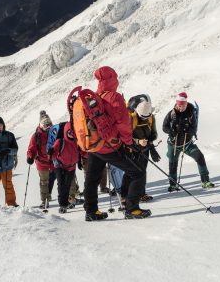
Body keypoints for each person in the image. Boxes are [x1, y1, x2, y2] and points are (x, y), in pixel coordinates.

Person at [83, 66, 151, 221]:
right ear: (113, 78)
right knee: (138, 173)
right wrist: (129, 143)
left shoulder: (94, 96)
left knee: (92, 178)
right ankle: (132, 209)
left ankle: (91, 211)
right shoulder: (114, 97)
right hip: (110, 146)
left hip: (95, 146)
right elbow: (123, 124)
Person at [162, 92, 214, 191]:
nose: (180, 107)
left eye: (182, 105)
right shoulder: (171, 114)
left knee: (200, 157)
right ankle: (173, 185)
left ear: (186, 104)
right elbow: (164, 127)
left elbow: (194, 128)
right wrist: (171, 131)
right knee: (173, 163)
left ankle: (205, 181)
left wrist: (188, 131)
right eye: (178, 105)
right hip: (173, 144)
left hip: (187, 144)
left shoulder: (191, 113)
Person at [121, 96, 160, 205]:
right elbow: (126, 137)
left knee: (142, 172)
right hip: (131, 149)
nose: (145, 118)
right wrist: (138, 141)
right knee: (129, 173)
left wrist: (149, 142)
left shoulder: (151, 118)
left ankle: (141, 194)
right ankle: (124, 196)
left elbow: (154, 134)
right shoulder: (131, 118)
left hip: (145, 149)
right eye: (143, 117)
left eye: (146, 117)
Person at [48, 122, 80, 213]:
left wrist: (80, 162)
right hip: (60, 165)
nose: (70, 134)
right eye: (69, 132)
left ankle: (65, 202)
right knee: (62, 184)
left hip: (71, 166)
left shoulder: (76, 141)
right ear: (65, 131)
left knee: (67, 185)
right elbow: (54, 149)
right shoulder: (61, 141)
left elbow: (81, 151)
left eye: (72, 132)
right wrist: (51, 152)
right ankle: (63, 204)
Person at [26, 111, 54, 209]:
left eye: (49, 124)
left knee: (60, 179)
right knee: (44, 182)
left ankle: (68, 197)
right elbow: (31, 149)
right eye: (46, 124)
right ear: (41, 125)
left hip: (54, 161)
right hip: (42, 162)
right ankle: (44, 200)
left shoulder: (54, 133)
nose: (48, 126)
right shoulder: (36, 136)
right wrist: (30, 157)